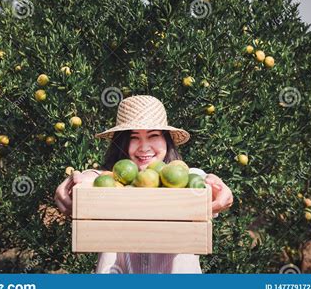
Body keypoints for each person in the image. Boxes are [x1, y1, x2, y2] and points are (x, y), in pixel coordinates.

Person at [55, 95, 233, 273]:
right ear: (123, 143)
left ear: (166, 141)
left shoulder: (183, 180)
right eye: (134, 137)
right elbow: (90, 179)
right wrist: (73, 182)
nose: (144, 147)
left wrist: (219, 187)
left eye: (153, 135)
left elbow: (204, 179)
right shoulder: (112, 181)